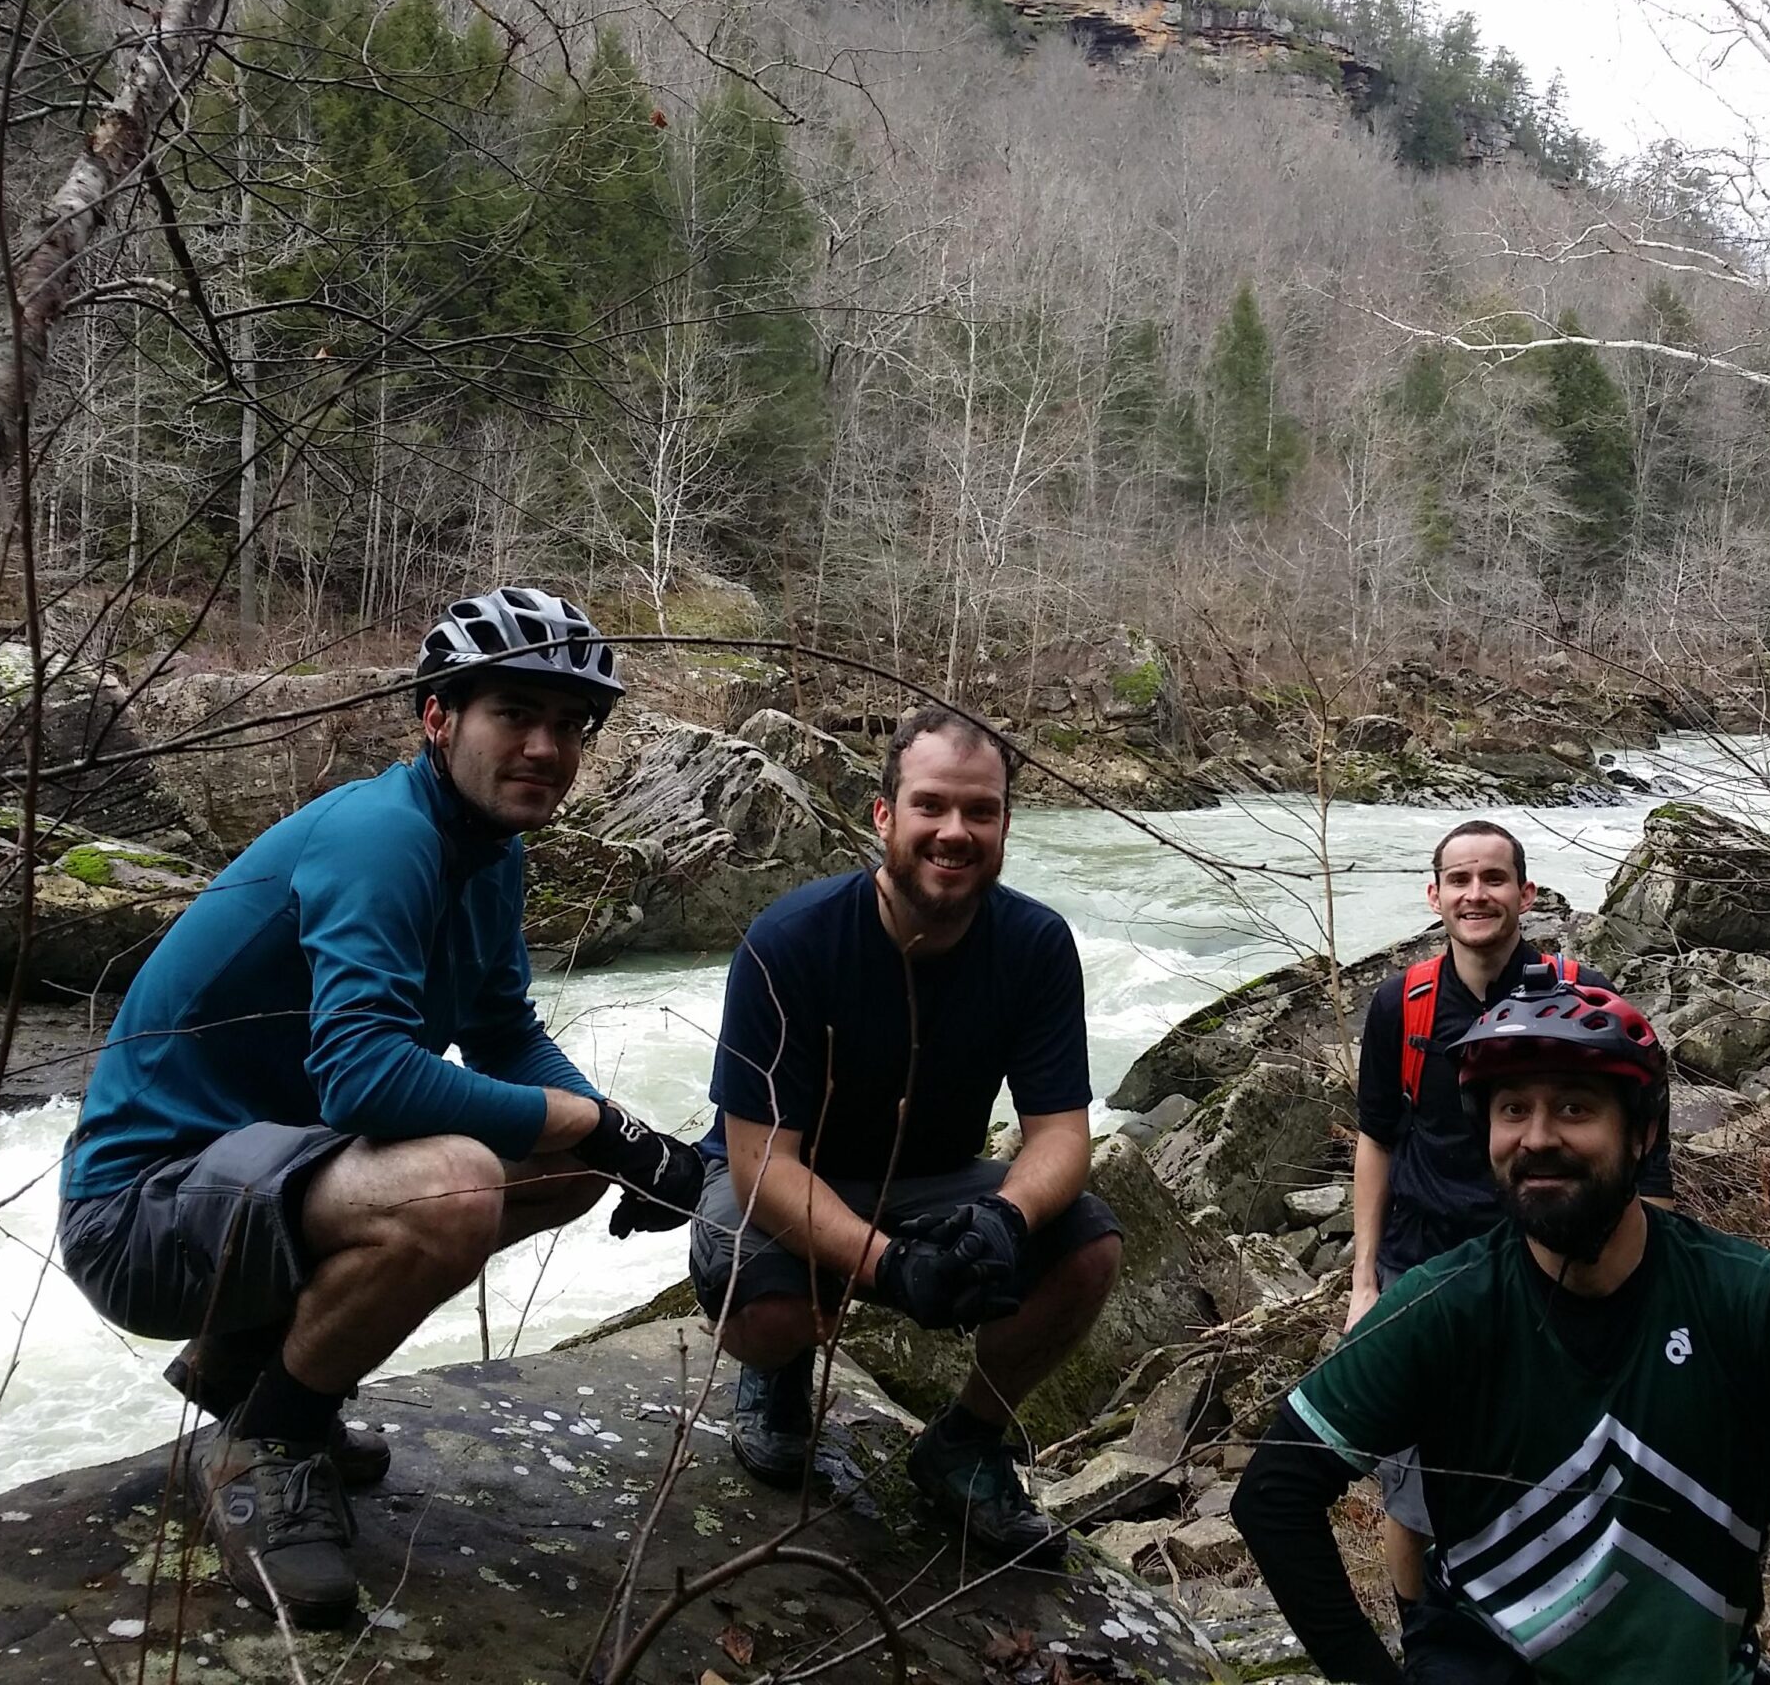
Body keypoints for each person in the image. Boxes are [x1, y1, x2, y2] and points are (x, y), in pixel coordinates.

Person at [58, 587, 706, 1627]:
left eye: (569, 727)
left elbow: (503, 1032)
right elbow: (364, 1077)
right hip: (142, 1212)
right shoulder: (380, 837)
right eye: (515, 716)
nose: (545, 747)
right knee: (454, 1184)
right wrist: (601, 1124)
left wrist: (624, 1140)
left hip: (264, 1187)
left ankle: (241, 1366)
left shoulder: (490, 854)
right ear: (439, 717)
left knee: (574, 1160)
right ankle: (269, 1439)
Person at [1236, 975, 1770, 1683]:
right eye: (1511, 1110)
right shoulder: (1442, 1305)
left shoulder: (1748, 1300)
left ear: (1642, 1135)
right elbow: (1275, 1494)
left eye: (1573, 1108)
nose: (1535, 1138)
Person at [690, 703, 1121, 1563]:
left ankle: (966, 1439)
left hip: (940, 1181)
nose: (954, 832)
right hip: (793, 1178)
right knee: (765, 1305)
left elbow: (1060, 1138)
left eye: (981, 811)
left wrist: (1003, 1219)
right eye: (931, 806)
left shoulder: (1035, 945)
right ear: (884, 816)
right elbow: (758, 1161)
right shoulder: (791, 942)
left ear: (1005, 823)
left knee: (1089, 1246)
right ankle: (776, 1379)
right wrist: (891, 1267)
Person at [1349, 820, 1675, 1652]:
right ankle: (1425, 1633)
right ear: (1434, 897)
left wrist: (1647, 1293)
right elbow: (1379, 1138)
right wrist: (1362, 1285)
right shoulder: (1404, 1004)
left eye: (1494, 878)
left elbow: (1645, 1152)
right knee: (1412, 1488)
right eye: (1459, 880)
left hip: (1549, 1268)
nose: (1476, 894)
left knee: (1548, 1457)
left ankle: (1548, 1625)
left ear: (1527, 895)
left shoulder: (1582, 995)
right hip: (1423, 1268)